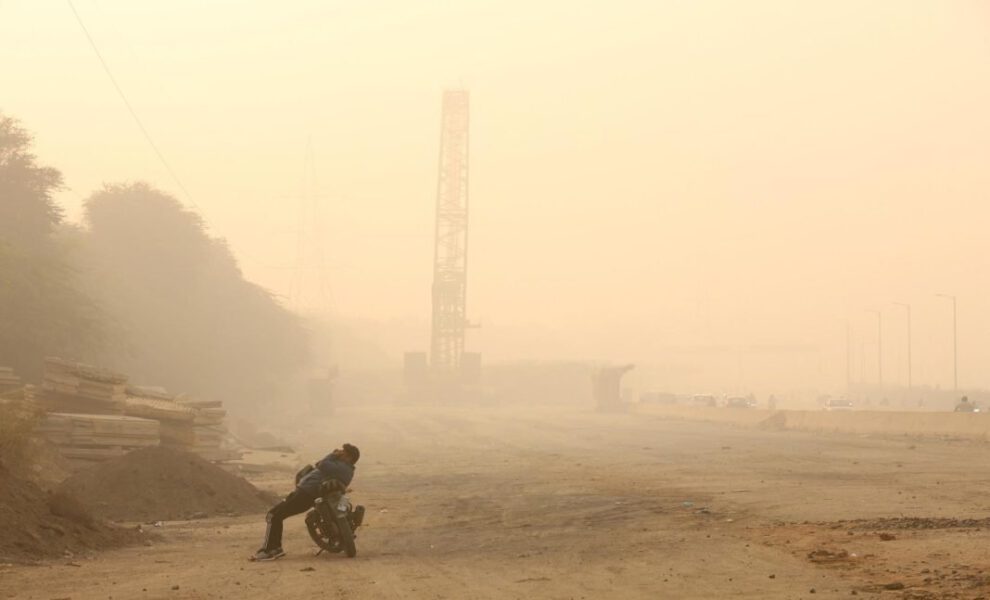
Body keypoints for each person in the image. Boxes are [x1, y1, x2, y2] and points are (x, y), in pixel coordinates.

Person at [252, 443, 360, 561]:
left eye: (343, 452)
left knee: (273, 515)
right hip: (305, 494)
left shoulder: (342, 467)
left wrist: (332, 454)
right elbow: (320, 466)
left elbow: (321, 464)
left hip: (305, 494)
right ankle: (275, 548)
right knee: (277, 515)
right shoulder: (344, 468)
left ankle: (270, 550)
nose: (340, 452)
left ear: (349, 457)